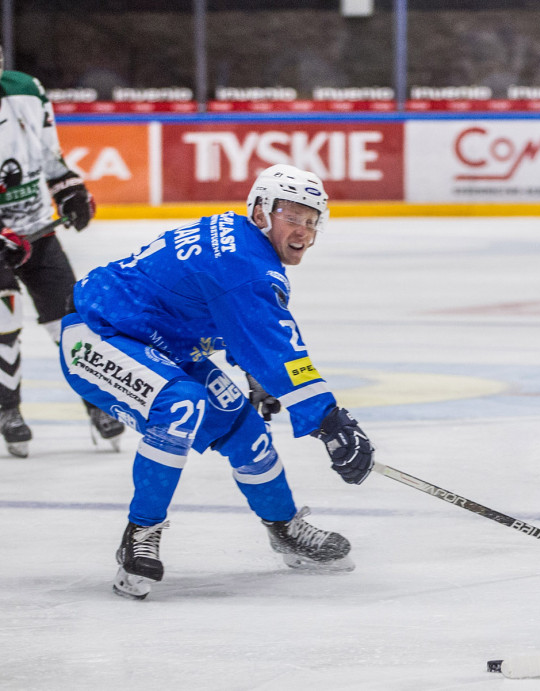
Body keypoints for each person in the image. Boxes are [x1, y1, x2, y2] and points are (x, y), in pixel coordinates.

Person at [58, 164, 376, 599]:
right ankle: (141, 533)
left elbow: (233, 320)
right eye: (292, 217)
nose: (303, 230)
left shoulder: (241, 242)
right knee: (180, 404)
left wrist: (256, 375)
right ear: (261, 212)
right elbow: (276, 346)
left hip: (159, 345)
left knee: (246, 431)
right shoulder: (247, 265)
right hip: (97, 335)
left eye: (310, 220)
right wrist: (329, 420)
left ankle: (284, 528)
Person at [0, 46, 125, 457]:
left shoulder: (25, 90)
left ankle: (97, 402)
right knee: (4, 315)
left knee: (71, 318)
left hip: (36, 230)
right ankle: (8, 409)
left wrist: (69, 188)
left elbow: (49, 157)